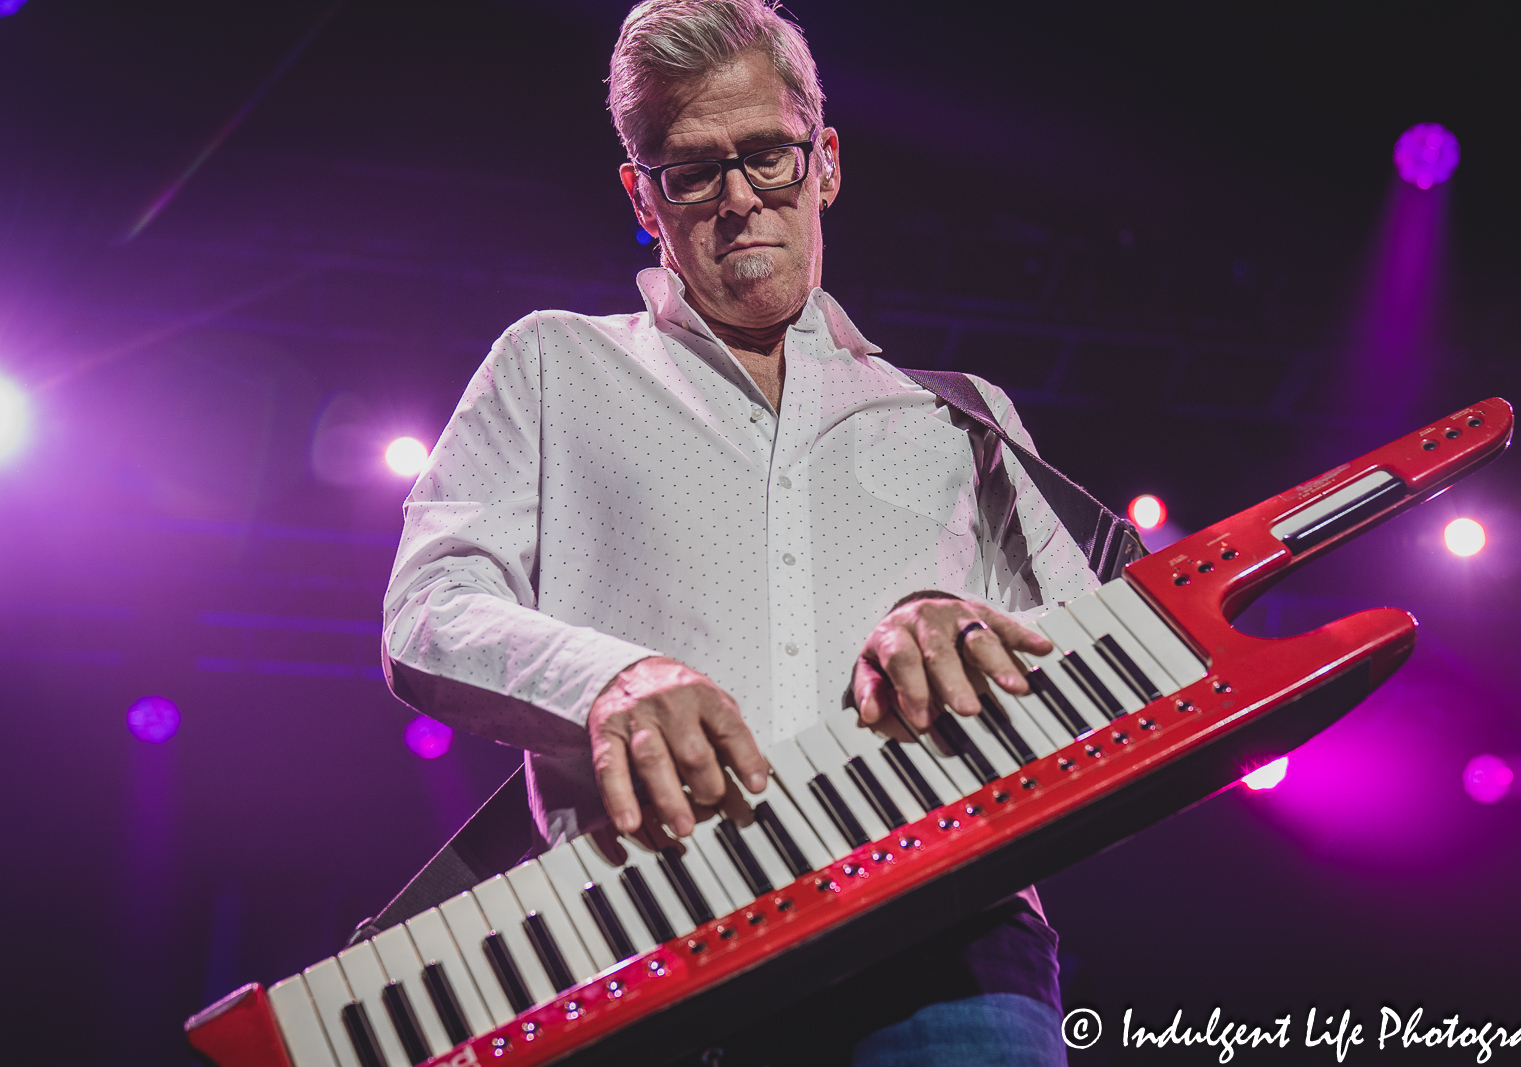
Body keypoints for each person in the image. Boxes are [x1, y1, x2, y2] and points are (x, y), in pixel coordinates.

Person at [382, 2, 1092, 1062]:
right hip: (637, 937)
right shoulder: (551, 364)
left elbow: (1110, 665)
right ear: (642, 197)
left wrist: (968, 623)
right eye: (692, 171)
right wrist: (610, 679)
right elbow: (428, 611)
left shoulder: (961, 417)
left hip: (946, 931)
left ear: (827, 160)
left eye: (767, 156)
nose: (738, 200)